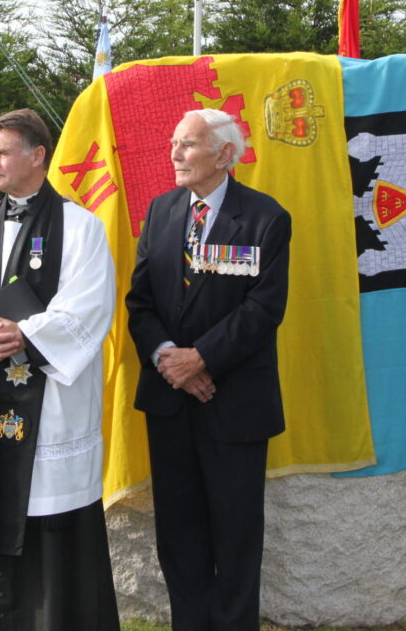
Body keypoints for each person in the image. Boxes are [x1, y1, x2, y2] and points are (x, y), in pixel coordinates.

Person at [0, 108, 120, 631]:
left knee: (47, 514)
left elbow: (89, 307)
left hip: (50, 407)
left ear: (37, 156)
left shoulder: (81, 228)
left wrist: (25, 335)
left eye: (2, 152)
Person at [126, 108, 291, 631]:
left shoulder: (266, 218)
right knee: (178, 530)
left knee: (236, 533)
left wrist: (203, 359)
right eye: (174, 143)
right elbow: (141, 302)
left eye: (188, 145)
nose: (175, 154)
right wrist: (168, 359)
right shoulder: (161, 211)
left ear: (224, 154)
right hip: (170, 401)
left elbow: (263, 309)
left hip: (234, 401)